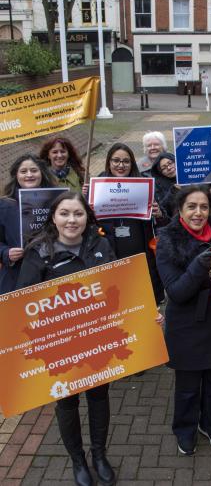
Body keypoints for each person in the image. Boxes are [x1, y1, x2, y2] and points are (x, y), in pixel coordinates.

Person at [16, 192, 117, 486]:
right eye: (64, 213)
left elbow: (118, 287)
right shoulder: (39, 252)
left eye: (78, 214)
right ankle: (78, 460)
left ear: (87, 217)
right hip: (59, 346)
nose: (71, 220)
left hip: (97, 339)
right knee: (67, 402)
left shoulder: (101, 244)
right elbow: (22, 303)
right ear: (53, 217)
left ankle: (100, 455)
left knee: (99, 396)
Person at [155, 185, 211, 456]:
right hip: (186, 324)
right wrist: (200, 265)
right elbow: (176, 292)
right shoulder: (167, 241)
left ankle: (210, 424)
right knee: (188, 386)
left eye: (203, 207)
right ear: (180, 209)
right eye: (191, 206)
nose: (198, 213)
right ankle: (185, 429)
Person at [97, 143, 164, 305]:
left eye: (126, 161)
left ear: (132, 163)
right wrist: (87, 199)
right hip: (112, 253)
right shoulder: (98, 186)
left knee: (144, 300)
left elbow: (162, 222)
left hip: (141, 253)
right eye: (116, 161)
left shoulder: (143, 183)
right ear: (109, 162)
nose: (121, 165)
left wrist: (159, 213)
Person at [0, 154, 56, 294]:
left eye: (34, 170)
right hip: (17, 276)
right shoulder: (4, 205)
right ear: (16, 175)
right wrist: (6, 253)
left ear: (42, 173)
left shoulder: (58, 201)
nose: (29, 175)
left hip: (52, 272)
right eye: (23, 171)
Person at [150, 151, 178, 223]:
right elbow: (163, 209)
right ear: (160, 173)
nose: (168, 168)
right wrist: (173, 191)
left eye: (170, 163)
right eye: (164, 168)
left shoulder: (190, 178)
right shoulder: (158, 188)